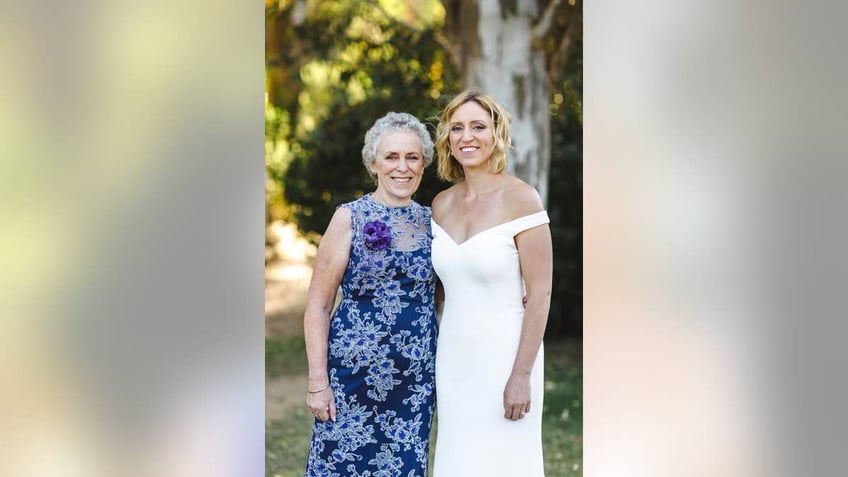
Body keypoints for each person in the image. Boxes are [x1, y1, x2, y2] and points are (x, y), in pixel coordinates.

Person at [303, 112, 438, 477]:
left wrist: (513, 295)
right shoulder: (349, 218)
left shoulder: (434, 222)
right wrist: (318, 383)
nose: (402, 167)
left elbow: (461, 283)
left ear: (423, 163)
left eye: (412, 157)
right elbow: (318, 304)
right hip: (351, 379)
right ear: (373, 164)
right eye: (391, 157)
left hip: (414, 383)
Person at [430, 90, 553, 476]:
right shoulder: (440, 204)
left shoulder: (523, 200)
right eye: (457, 128)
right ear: (447, 139)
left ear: (496, 134)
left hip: (507, 358)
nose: (467, 136)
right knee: (459, 460)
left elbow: (542, 292)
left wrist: (521, 375)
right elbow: (435, 287)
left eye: (478, 127)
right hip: (453, 359)